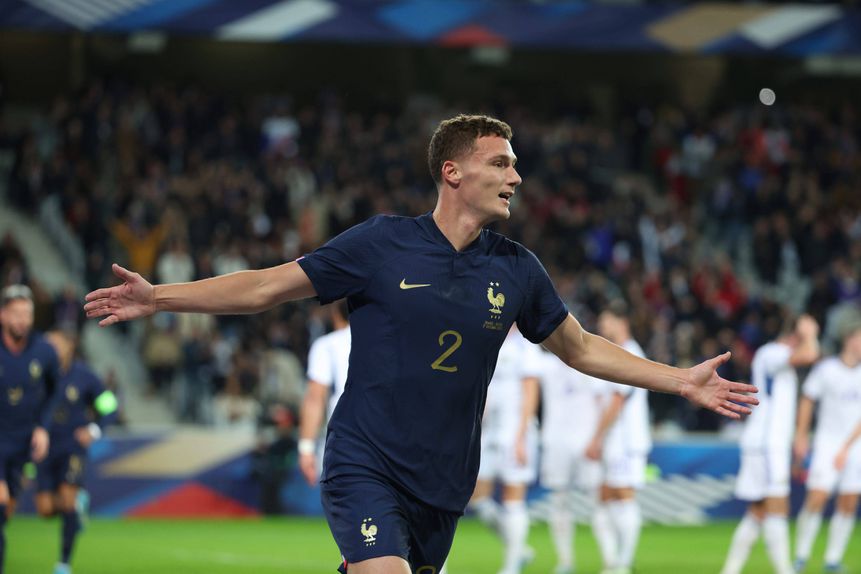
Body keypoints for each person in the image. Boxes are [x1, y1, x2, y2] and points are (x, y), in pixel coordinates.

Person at [85, 114, 758, 574]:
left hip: (443, 481)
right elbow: (265, 287)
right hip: (366, 461)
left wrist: (679, 379)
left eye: (516, 165)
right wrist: (159, 297)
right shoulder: (380, 244)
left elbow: (579, 348)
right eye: (501, 163)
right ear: (452, 172)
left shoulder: (517, 269)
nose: (516, 177)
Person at [720, 314, 820, 574]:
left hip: (766, 443)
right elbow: (810, 355)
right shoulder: (773, 352)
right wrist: (810, 333)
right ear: (794, 334)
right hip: (766, 444)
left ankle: (730, 570)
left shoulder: (774, 356)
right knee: (778, 507)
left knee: (758, 511)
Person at [36, 330, 118, 574]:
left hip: (72, 447)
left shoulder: (85, 376)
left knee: (68, 498)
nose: (52, 349)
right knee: (46, 509)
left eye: (56, 344)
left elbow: (110, 406)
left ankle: (63, 563)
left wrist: (94, 429)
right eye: (48, 344)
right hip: (44, 447)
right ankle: (76, 512)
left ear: (69, 346)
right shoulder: (37, 373)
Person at [468, 326, 542, 574]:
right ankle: (519, 549)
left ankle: (511, 567)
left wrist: (521, 437)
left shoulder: (526, 345)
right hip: (489, 431)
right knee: (476, 497)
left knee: (513, 496)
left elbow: (531, 392)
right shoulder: (488, 339)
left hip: (516, 431)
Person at [584, 302, 651, 574]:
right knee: (605, 498)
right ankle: (613, 561)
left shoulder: (630, 353)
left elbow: (617, 401)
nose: (602, 326)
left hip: (626, 439)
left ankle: (623, 562)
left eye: (607, 320)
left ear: (622, 322)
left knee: (623, 496)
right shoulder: (615, 352)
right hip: (615, 440)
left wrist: (596, 438)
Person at [0, 284, 61, 574]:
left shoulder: (44, 351)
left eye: (27, 313)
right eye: (16, 313)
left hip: (22, 443)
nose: (22, 320)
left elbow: (54, 392)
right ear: (2, 315)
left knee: (6, 512)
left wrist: (42, 428)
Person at [792, 318, 861, 574]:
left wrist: (847, 448)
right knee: (817, 498)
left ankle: (833, 559)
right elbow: (807, 399)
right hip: (826, 443)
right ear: (849, 339)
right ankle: (800, 556)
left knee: (849, 502)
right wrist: (801, 435)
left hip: (855, 446)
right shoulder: (826, 369)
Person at [536, 349, 605, 574]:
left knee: (597, 500)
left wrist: (598, 438)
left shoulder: (589, 362)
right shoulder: (545, 364)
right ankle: (565, 561)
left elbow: (601, 401)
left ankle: (611, 559)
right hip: (556, 441)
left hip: (585, 440)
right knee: (559, 500)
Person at [299, 301, 351, 486]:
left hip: (345, 444)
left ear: (334, 311)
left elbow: (315, 397)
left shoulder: (328, 345)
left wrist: (306, 448)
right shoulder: (388, 339)